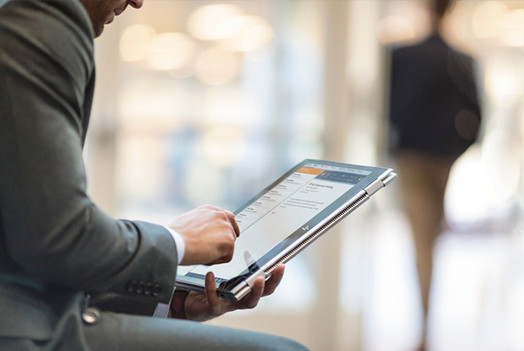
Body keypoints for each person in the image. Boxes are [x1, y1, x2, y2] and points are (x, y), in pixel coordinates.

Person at [0, 0, 307, 350]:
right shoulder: (39, 16)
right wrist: (176, 241)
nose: (137, 1)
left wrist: (171, 303)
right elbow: (60, 237)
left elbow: (26, 247)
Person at [387, 0, 481, 350]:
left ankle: (424, 326)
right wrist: (455, 152)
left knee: (421, 242)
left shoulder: (402, 56)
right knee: (427, 240)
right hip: (439, 159)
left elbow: (387, 111)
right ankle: (425, 324)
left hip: (413, 159)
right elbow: (478, 118)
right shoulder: (460, 59)